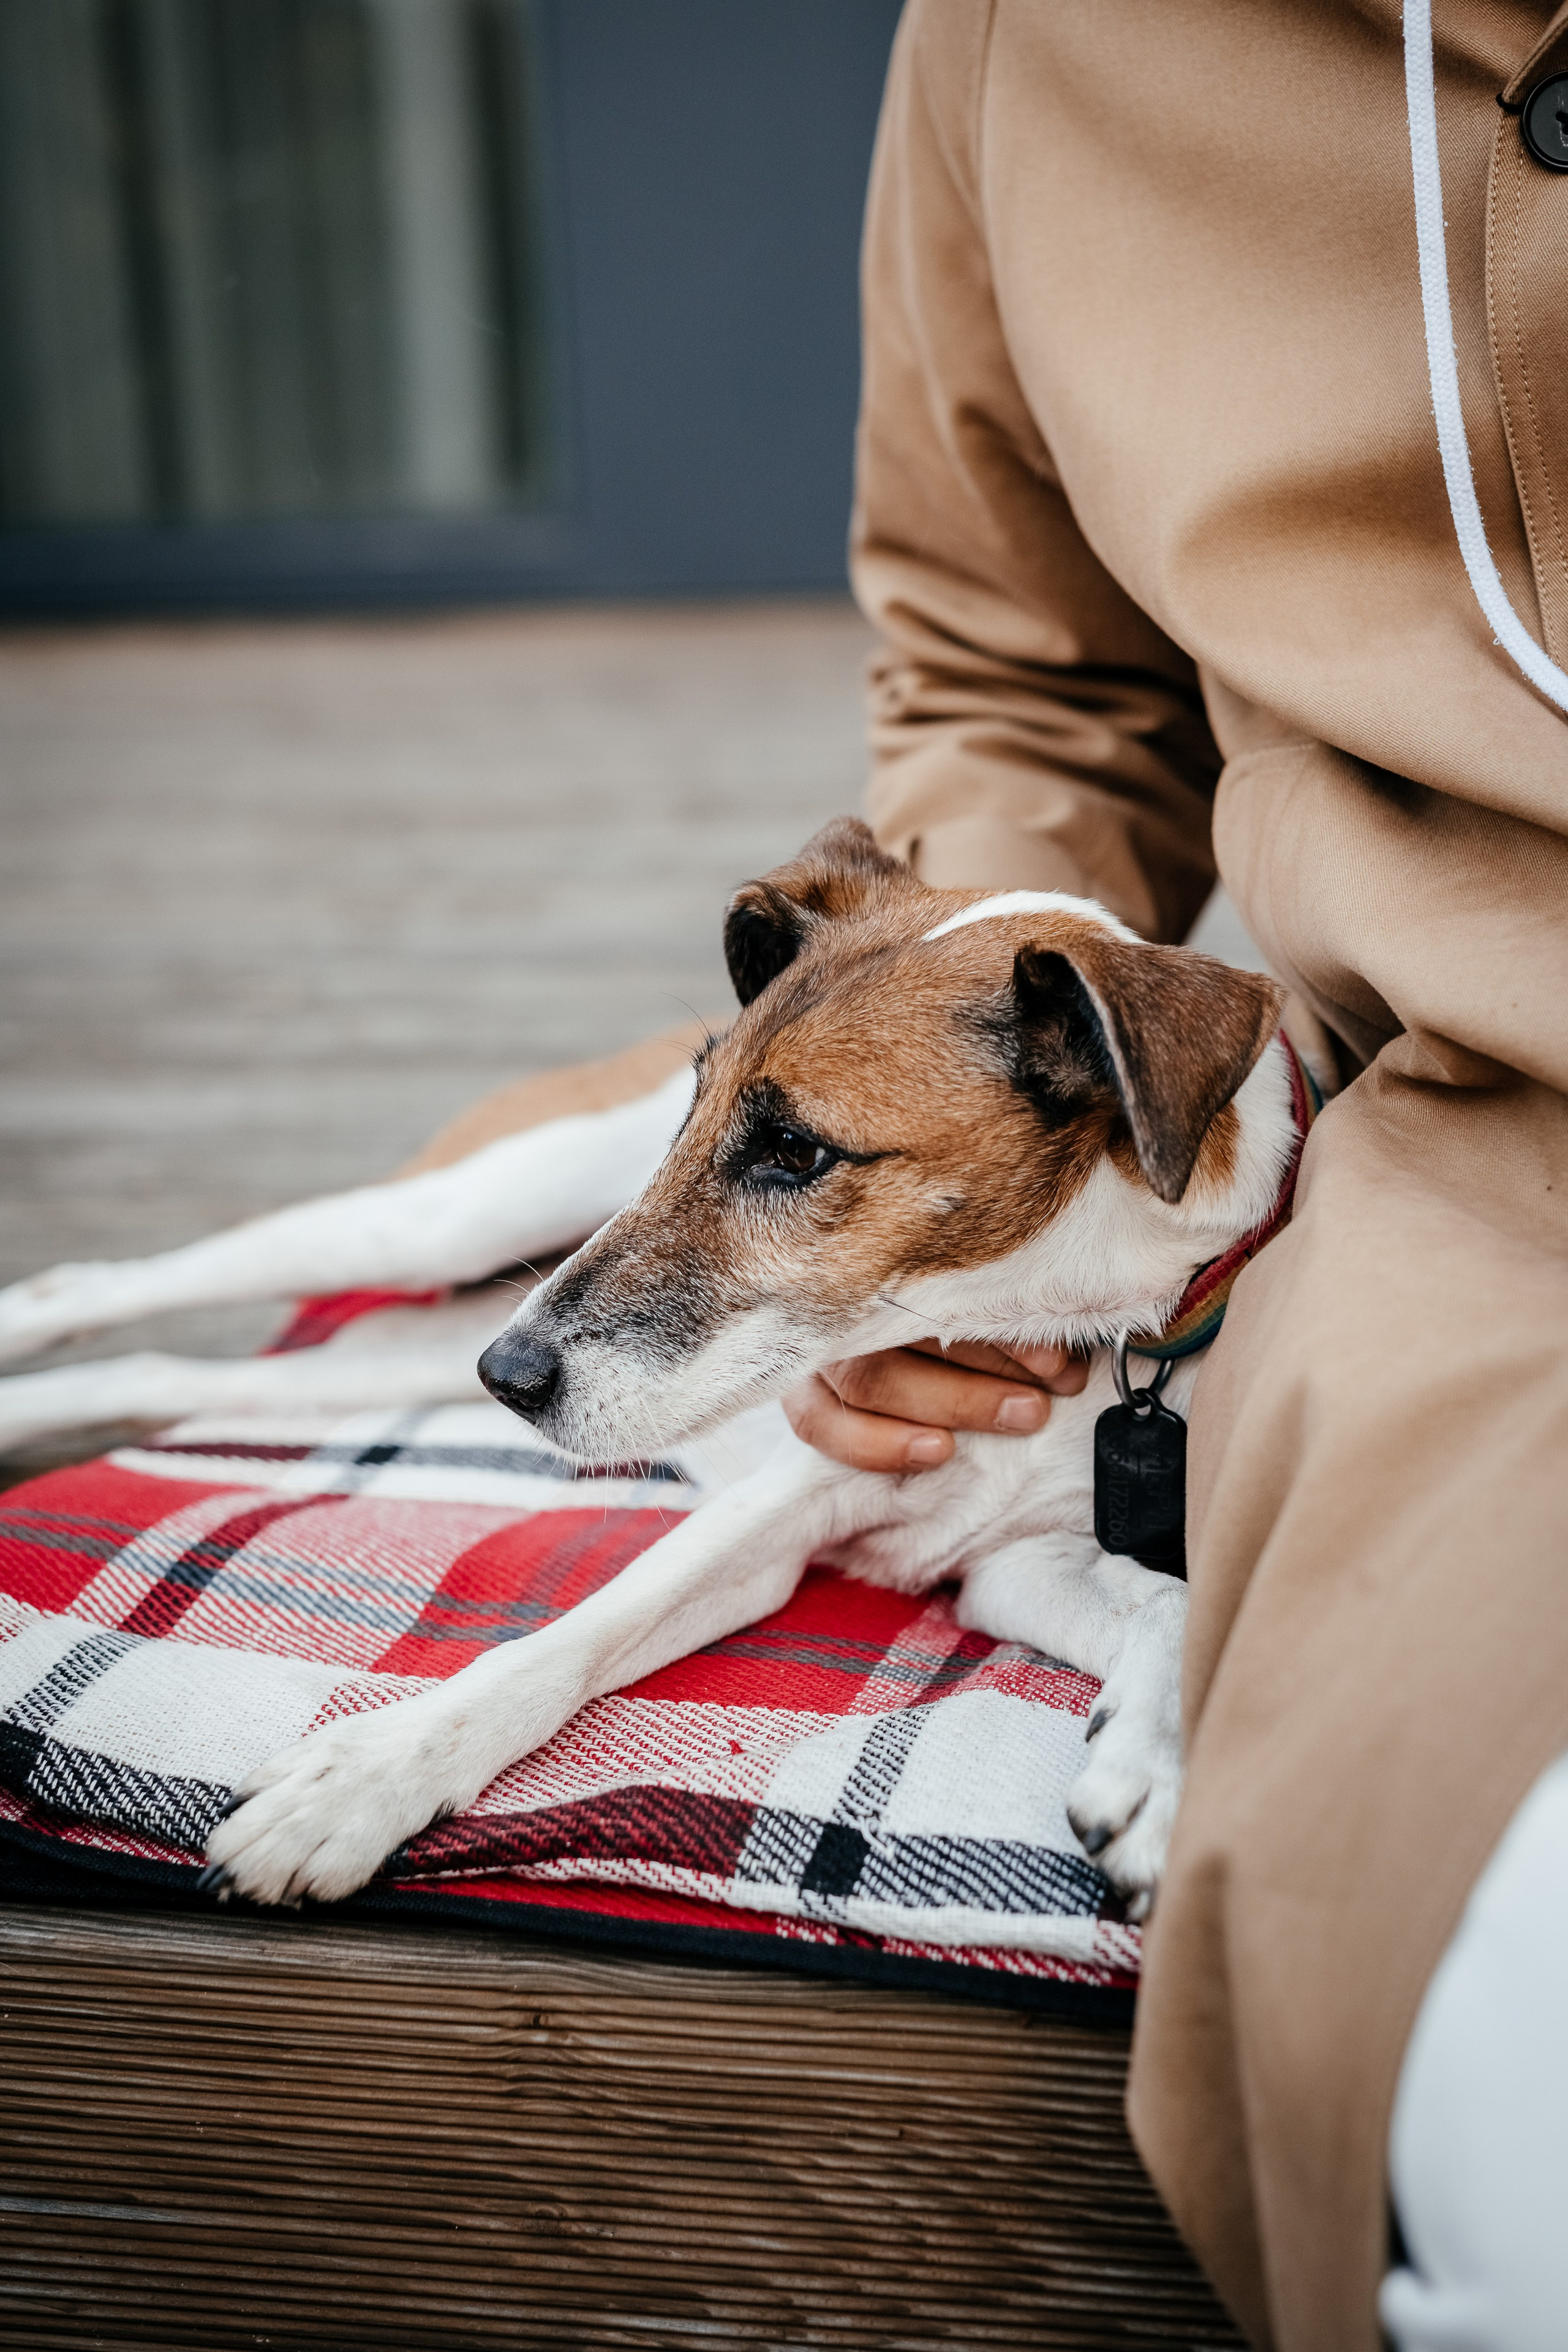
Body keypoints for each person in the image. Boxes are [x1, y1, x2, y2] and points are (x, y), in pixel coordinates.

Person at [780, 6, 1568, 2348]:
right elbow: (1013, 679)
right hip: (1497, 1153)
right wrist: (977, 1150)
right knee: (1504, 2118)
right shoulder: (1029, 37)